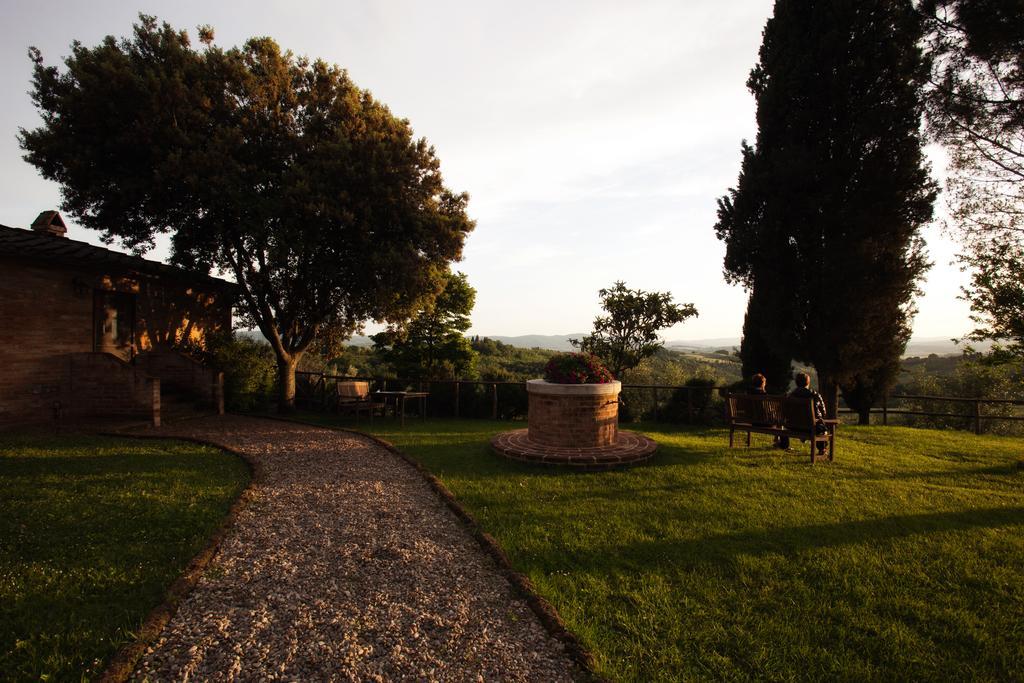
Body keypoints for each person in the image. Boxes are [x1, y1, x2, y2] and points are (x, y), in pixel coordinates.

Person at [790, 372, 828, 455]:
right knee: (822, 428)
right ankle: (822, 449)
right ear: (808, 382)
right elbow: (823, 412)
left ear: (797, 382)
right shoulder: (814, 395)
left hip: (792, 426)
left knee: (819, 426)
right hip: (810, 427)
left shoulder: (791, 396)